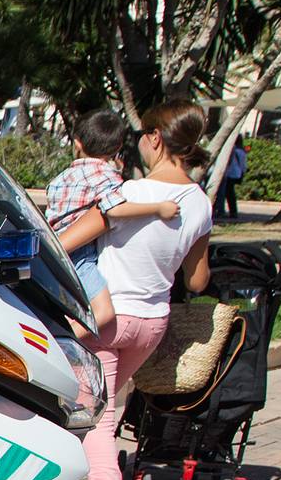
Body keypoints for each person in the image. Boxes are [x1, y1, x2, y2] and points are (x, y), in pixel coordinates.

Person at [58, 100, 214, 480]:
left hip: (106, 319)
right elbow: (198, 280)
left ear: (154, 139)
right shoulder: (200, 203)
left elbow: (67, 241)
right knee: (100, 409)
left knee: (96, 418)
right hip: (152, 323)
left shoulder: (126, 192)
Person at [46, 109, 182, 339]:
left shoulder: (62, 177)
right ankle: (57, 344)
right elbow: (114, 209)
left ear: (77, 142)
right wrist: (159, 208)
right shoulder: (108, 178)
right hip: (80, 255)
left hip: (55, 244)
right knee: (104, 313)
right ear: (118, 147)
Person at [215, 135, 248, 220]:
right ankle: (232, 211)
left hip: (230, 173)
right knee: (230, 193)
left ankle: (229, 211)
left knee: (228, 193)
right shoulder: (242, 151)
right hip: (236, 174)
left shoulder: (233, 150)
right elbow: (243, 165)